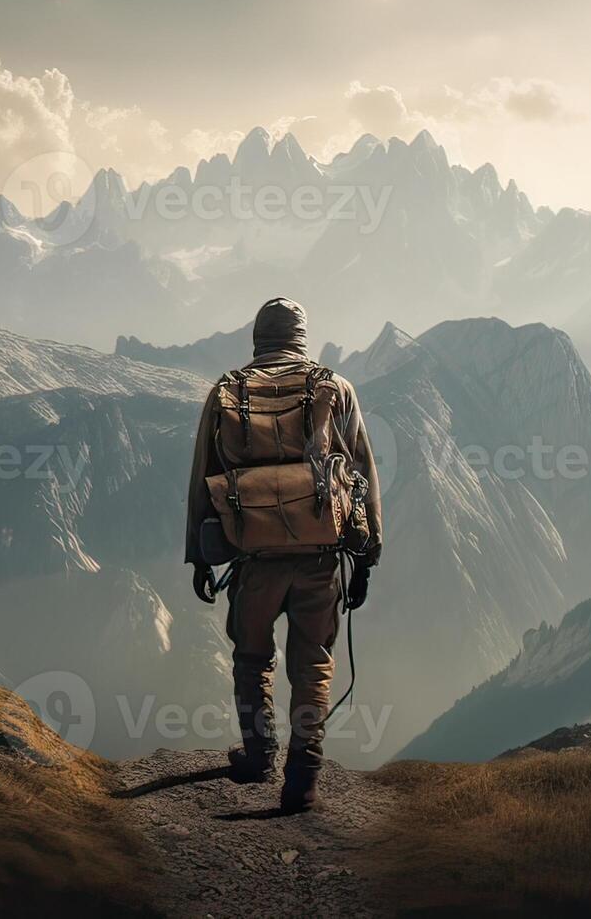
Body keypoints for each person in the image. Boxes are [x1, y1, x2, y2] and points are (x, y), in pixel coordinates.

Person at [184, 297, 383, 811]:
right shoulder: (334, 389)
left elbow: (202, 478)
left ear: (258, 338)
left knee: (252, 657)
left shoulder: (228, 391)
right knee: (313, 663)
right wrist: (366, 557)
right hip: (319, 559)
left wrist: (201, 556)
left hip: (253, 559)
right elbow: (360, 477)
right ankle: (303, 778)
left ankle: (258, 755)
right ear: (301, 337)